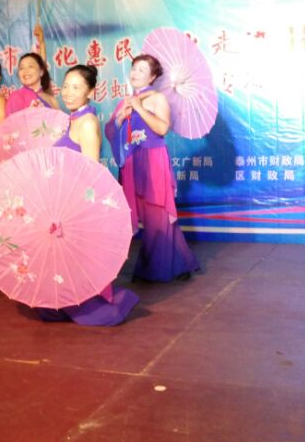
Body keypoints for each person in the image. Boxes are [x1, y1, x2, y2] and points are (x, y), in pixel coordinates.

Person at [36, 65, 140, 326]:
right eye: (66, 86)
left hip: (77, 203)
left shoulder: (87, 123)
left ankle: (82, 303)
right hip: (65, 198)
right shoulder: (74, 118)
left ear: (91, 91)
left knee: (75, 260)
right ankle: (64, 300)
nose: (68, 93)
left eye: (76, 87)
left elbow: (90, 172)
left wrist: (73, 207)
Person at [106, 55, 200, 282]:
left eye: (142, 70)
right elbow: (110, 132)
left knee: (158, 214)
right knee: (146, 216)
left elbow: (162, 129)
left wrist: (140, 108)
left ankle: (154, 268)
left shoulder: (157, 98)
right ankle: (179, 263)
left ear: (153, 76)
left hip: (153, 159)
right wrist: (120, 117)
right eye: (134, 68)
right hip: (131, 161)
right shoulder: (126, 101)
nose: (135, 73)